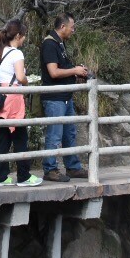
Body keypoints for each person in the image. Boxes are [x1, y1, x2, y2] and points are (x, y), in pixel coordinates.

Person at [0, 18, 42, 187]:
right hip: (13, 99)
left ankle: (0, 177)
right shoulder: (16, 53)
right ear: (18, 35)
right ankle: (24, 177)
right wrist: (27, 81)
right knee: (20, 138)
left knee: (3, 139)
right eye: (24, 35)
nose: (25, 39)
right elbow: (20, 77)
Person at [39, 13, 90, 182]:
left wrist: (77, 72)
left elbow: (62, 68)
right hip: (55, 97)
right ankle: (50, 169)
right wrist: (74, 71)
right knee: (54, 134)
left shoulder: (60, 44)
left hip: (66, 97)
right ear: (63, 27)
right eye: (72, 27)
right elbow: (53, 72)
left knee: (69, 133)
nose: (73, 30)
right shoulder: (49, 44)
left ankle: (73, 167)